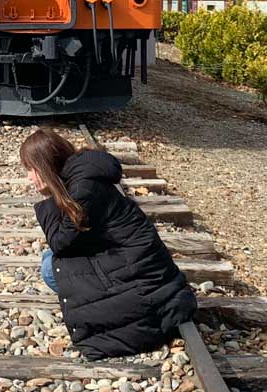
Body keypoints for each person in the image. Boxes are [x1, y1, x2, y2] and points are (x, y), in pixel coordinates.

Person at [21, 128, 197, 360]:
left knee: (50, 268)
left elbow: (60, 242)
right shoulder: (83, 177)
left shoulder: (83, 189)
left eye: (31, 170)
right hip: (136, 264)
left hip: (142, 278)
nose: (29, 178)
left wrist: (48, 197)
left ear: (45, 167)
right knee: (50, 259)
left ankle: (116, 311)